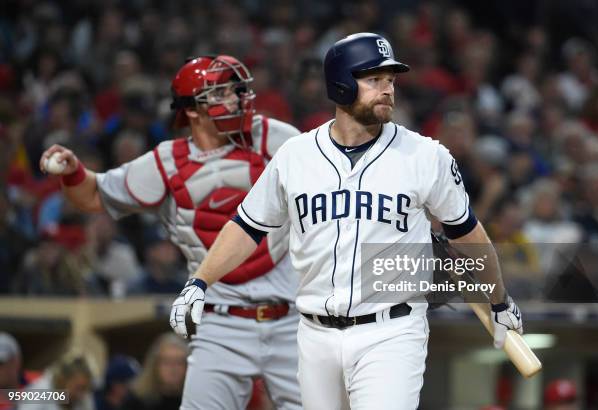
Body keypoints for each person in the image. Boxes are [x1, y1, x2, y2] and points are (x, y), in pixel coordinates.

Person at [170, 33, 524, 409]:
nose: (387, 89)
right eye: (373, 79)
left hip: (392, 330)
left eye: (390, 80)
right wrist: (199, 282)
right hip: (312, 332)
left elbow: (466, 232)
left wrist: (499, 300)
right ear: (340, 84)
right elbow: (247, 227)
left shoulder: (425, 156)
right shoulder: (296, 155)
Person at [39, 55, 302, 409]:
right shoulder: (165, 162)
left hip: (290, 318)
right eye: (221, 93)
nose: (236, 99)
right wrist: (72, 173)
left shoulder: (276, 138)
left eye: (237, 90)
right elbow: (94, 195)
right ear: (193, 110)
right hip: (218, 322)